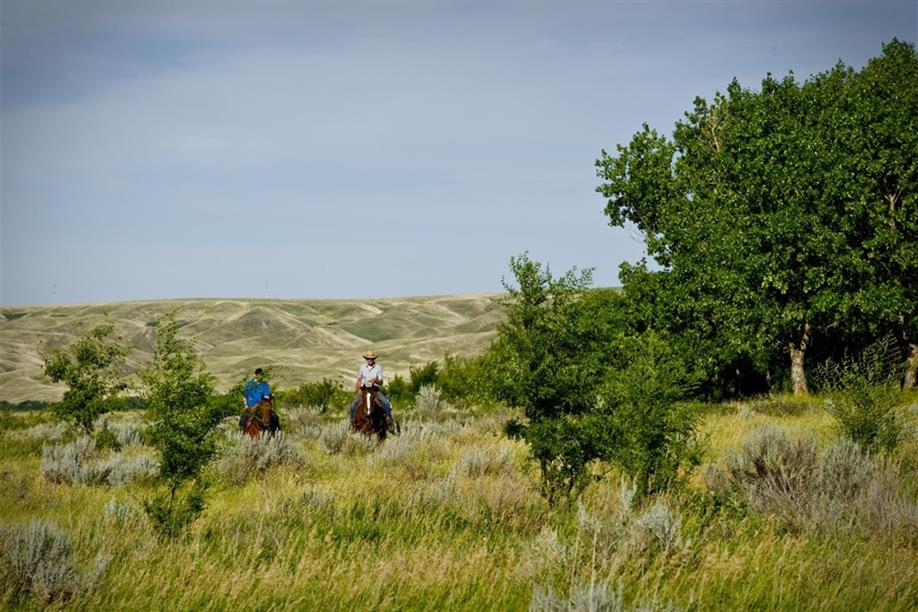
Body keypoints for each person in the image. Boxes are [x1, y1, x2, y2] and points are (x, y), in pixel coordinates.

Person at [348, 350, 393, 425]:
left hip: (374, 390)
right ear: (366, 359)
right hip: (364, 390)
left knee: (385, 402)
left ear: (374, 359)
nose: (370, 360)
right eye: (368, 358)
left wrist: (375, 381)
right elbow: (359, 380)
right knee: (353, 405)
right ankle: (353, 422)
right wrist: (357, 391)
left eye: (372, 358)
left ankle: (389, 420)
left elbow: (381, 382)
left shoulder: (378, 368)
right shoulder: (362, 367)